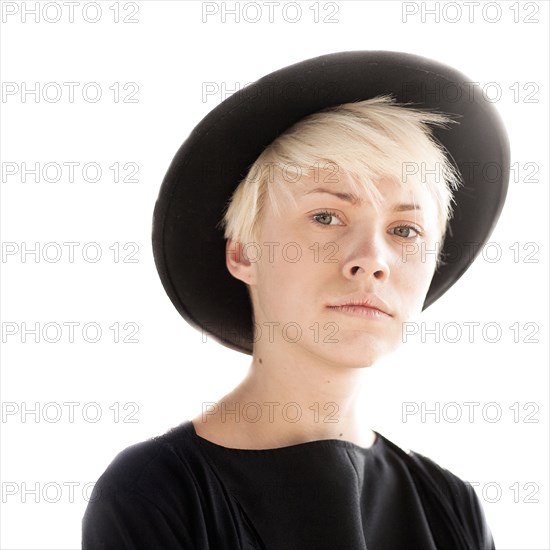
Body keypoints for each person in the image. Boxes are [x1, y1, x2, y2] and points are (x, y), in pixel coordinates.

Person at [82, 51, 509, 549]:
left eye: (405, 229)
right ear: (243, 252)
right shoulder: (158, 494)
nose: (373, 260)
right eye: (327, 217)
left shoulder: (451, 507)